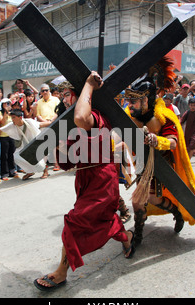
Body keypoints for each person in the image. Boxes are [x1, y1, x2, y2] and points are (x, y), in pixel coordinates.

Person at [33, 72, 135, 291]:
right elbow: (70, 163)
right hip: (85, 180)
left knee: (75, 223)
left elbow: (81, 117)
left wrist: (88, 83)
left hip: (103, 180)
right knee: (102, 222)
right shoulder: (72, 125)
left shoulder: (96, 117)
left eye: (68, 95)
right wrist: (58, 144)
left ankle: (60, 273)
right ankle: (126, 237)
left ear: (79, 96)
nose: (65, 101)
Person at [123, 58, 195, 246]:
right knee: (139, 201)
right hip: (142, 163)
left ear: (147, 99)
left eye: (135, 100)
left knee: (149, 199)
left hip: (162, 165)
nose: (131, 104)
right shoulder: (129, 114)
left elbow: (173, 143)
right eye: (130, 99)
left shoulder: (164, 116)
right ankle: (139, 235)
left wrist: (156, 140)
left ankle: (176, 213)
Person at [0, 98, 17, 180]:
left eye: (8, 103)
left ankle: (12, 171)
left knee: (11, 154)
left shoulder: (11, 112)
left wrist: (10, 113)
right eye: (5, 103)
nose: (7, 105)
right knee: (4, 155)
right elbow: (2, 122)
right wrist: (5, 112)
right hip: (3, 136)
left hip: (12, 136)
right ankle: (4, 173)